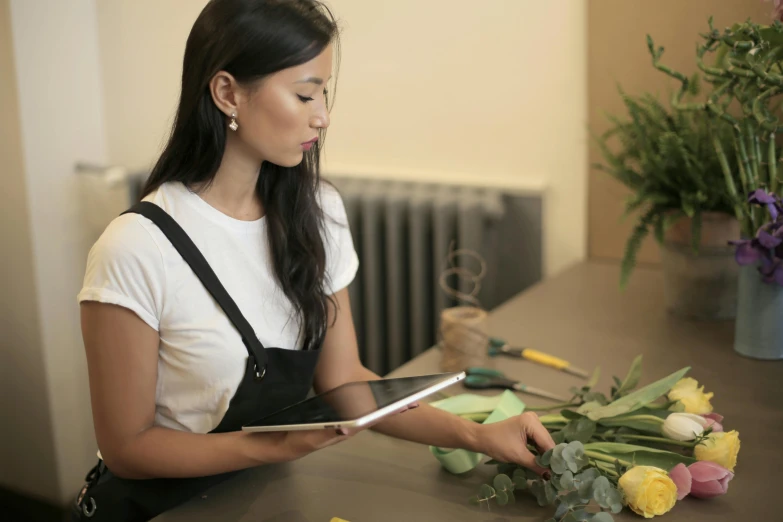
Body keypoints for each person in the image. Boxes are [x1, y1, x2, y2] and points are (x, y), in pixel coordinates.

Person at [71, 1, 555, 520]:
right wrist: (273, 449)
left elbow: (344, 380)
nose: (321, 115)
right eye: (304, 94)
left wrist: (478, 435)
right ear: (227, 92)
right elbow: (127, 447)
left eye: (323, 91)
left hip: (263, 497)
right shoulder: (135, 248)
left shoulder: (317, 211)